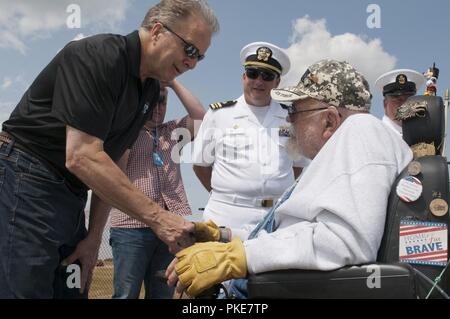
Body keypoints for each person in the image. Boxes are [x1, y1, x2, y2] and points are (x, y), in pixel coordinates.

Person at [0, 0, 219, 299]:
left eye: (200, 58)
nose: (192, 63)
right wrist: (160, 219)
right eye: (190, 50)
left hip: (72, 195)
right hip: (25, 181)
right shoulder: (98, 56)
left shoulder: (150, 88)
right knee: (25, 290)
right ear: (157, 31)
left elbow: (113, 160)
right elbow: (81, 155)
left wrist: (92, 239)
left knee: (70, 290)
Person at [166, 59, 413, 298]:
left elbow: (342, 242)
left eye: (295, 110)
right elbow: (294, 233)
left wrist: (238, 256)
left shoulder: (361, 131)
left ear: (329, 120)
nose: (288, 118)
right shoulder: (338, 151)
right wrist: (224, 236)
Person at [192, 42, 308, 240]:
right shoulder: (218, 114)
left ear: (277, 81)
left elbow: (296, 166)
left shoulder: (291, 118)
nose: (259, 82)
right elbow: (200, 165)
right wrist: (227, 194)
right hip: (226, 215)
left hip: (275, 218)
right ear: (243, 76)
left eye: (267, 76)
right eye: (253, 73)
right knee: (220, 270)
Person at [109, 80, 205, 299]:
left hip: (170, 228)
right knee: (126, 294)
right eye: (151, 100)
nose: (157, 107)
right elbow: (115, 176)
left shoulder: (172, 131)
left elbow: (202, 118)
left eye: (161, 100)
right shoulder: (125, 131)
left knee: (163, 293)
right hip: (130, 226)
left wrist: (171, 82)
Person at [375, 69, 425, 135]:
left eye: (408, 98)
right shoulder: (378, 134)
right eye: (396, 98)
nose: (403, 103)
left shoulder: (421, 133)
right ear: (385, 104)